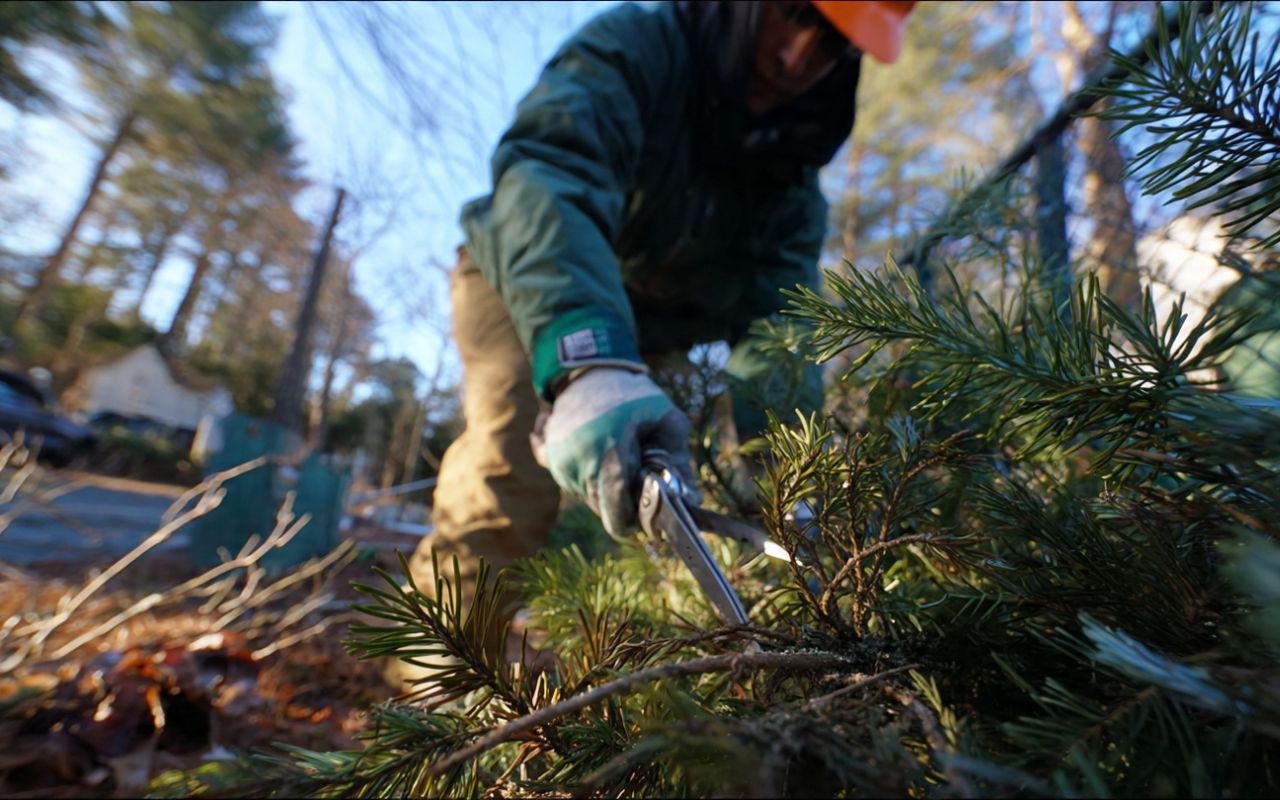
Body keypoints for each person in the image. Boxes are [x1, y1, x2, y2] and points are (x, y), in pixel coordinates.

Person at [393, 0, 915, 689]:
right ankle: (439, 680)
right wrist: (590, 358)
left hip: (648, 331)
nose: (795, 57)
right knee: (512, 461)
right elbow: (549, 178)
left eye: (829, 47)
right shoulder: (636, 47)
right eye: (790, 15)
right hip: (525, 274)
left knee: (643, 485)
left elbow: (778, 331)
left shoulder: (793, 183)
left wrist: (793, 477)